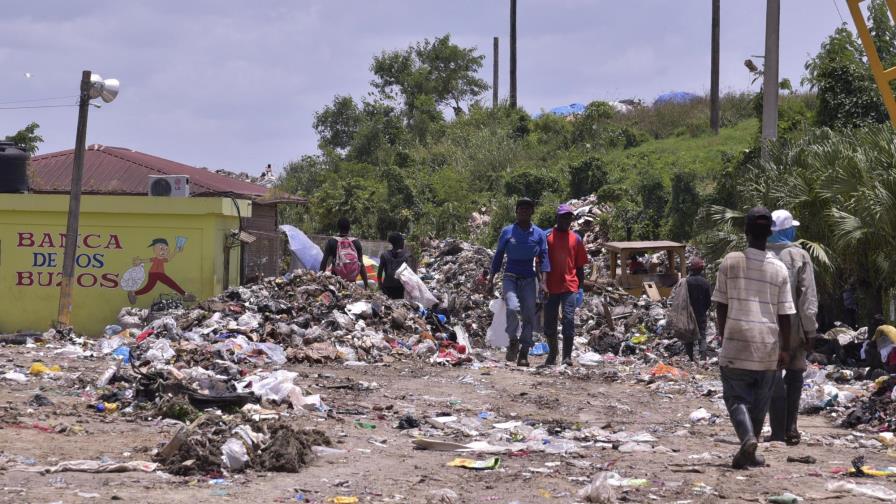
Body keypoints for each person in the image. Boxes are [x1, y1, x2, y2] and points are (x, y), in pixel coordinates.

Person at [712, 207, 795, 469]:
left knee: (736, 398)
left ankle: (748, 441)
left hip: (737, 342)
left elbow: (721, 305)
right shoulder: (779, 269)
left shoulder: (730, 262)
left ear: (746, 232)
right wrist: (786, 348)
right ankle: (750, 448)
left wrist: (724, 334)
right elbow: (785, 315)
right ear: (769, 233)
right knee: (759, 403)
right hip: (767, 345)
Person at [765, 209, 818, 446]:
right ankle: (791, 427)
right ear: (788, 230)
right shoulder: (799, 256)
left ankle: (776, 430)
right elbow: (807, 297)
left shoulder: (760, 254)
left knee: (772, 374)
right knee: (795, 375)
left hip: (766, 326)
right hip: (794, 326)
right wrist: (811, 331)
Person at [488, 197, 550, 367]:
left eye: (527, 208)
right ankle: (513, 340)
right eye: (520, 208)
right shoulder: (507, 232)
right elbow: (499, 256)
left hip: (529, 279)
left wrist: (543, 282)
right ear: (516, 211)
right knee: (513, 309)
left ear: (532, 212)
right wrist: (491, 278)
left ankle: (524, 353)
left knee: (529, 315)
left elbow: (543, 258)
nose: (523, 211)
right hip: (510, 276)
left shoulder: (538, 234)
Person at [541, 204, 588, 367]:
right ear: (557, 218)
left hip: (570, 285)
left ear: (571, 220)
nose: (565, 220)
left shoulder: (576, 239)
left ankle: (567, 356)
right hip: (550, 287)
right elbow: (540, 262)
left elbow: (580, 266)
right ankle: (553, 352)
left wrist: (581, 288)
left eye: (568, 217)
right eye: (562, 217)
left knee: (568, 319)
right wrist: (542, 283)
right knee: (549, 323)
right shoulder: (547, 237)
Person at [319, 217, 369, 289]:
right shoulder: (356, 242)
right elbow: (361, 265)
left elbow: (324, 262)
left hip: (337, 282)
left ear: (338, 227)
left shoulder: (332, 242)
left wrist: (320, 280)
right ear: (349, 228)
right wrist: (366, 285)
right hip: (351, 283)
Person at [685, 257, 711, 362]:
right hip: (701, 314)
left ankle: (690, 358)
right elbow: (708, 301)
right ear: (701, 269)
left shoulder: (686, 282)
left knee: (688, 337)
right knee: (702, 336)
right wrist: (703, 309)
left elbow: (681, 299)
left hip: (688, 314)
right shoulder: (705, 283)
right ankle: (703, 357)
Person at [377, 232, 412, 300]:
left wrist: (380, 285)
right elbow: (409, 275)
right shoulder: (406, 256)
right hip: (399, 287)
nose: (403, 242)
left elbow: (379, 273)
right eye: (402, 240)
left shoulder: (385, 255)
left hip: (387, 286)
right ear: (399, 242)